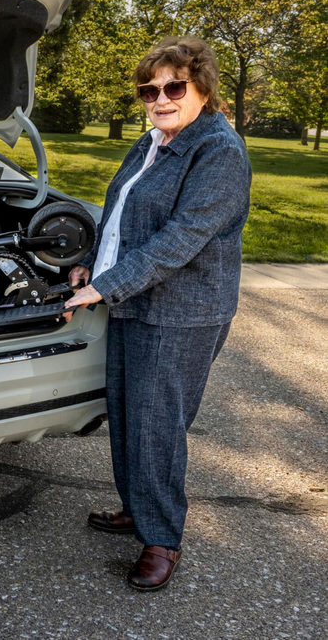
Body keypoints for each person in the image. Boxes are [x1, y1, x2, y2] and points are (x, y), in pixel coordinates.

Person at [63, 36, 252, 591]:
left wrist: (105, 288)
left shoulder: (218, 150)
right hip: (135, 300)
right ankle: (138, 508)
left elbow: (182, 239)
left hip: (183, 311)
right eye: (150, 89)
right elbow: (122, 212)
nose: (160, 98)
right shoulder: (152, 141)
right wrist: (91, 267)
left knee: (158, 427)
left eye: (174, 87)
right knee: (126, 413)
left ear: (202, 89)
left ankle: (162, 538)